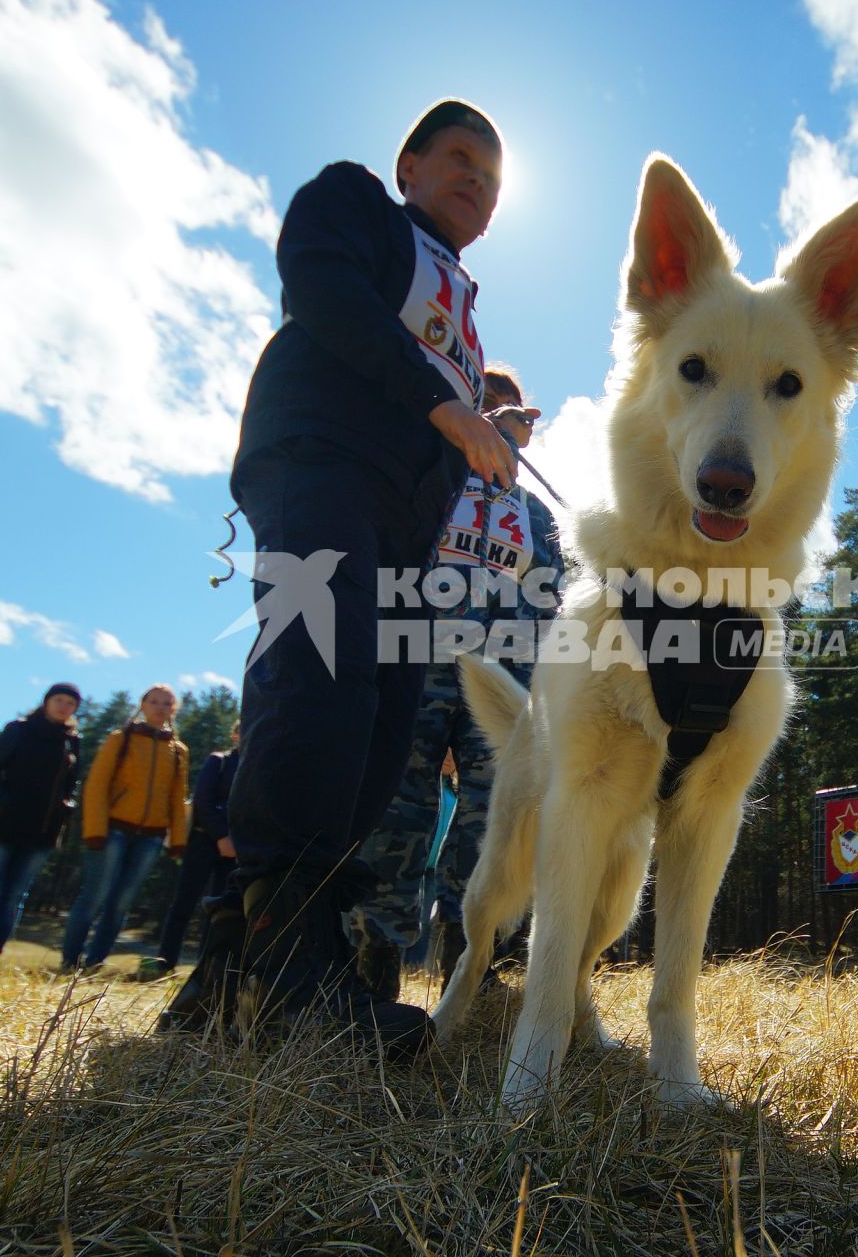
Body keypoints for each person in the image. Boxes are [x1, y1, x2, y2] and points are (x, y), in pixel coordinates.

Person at [162, 99, 514, 1053]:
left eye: (491, 176)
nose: (476, 182)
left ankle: (243, 967)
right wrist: (446, 409)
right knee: (316, 675)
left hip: (409, 527)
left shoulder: (465, 307)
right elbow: (321, 289)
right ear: (408, 164)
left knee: (385, 716)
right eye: (458, 157)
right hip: (320, 463)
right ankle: (288, 983)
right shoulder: (353, 202)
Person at [351, 366, 564, 998]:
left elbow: (547, 601)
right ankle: (373, 962)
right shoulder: (429, 482)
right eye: (489, 406)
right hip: (418, 664)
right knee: (398, 805)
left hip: (502, 682)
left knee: (495, 817)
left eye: (517, 414)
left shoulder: (535, 512)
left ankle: (474, 965)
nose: (506, 420)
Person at [61, 684, 188, 974]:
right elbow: (96, 784)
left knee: (121, 903)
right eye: (153, 701)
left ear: (173, 709)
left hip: (152, 837)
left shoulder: (178, 750)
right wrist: (94, 830)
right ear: (142, 704)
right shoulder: (122, 738)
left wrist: (177, 840)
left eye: (166, 703)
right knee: (94, 896)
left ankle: (94, 964)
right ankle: (70, 962)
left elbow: (176, 797)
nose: (159, 707)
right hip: (113, 831)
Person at [0, 683, 82, 970]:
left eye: (70, 703)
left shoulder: (72, 740)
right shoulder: (19, 729)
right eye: (59, 700)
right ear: (47, 701)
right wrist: (2, 802)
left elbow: (70, 785)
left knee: (13, 898)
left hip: (41, 833)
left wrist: (63, 814)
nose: (64, 706)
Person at [140, 722, 240, 979]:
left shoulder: (257, 767)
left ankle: (206, 968)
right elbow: (202, 800)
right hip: (203, 842)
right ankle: (165, 962)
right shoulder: (218, 761)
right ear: (235, 734)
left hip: (237, 848)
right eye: (242, 730)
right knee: (184, 901)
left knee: (221, 908)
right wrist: (221, 836)